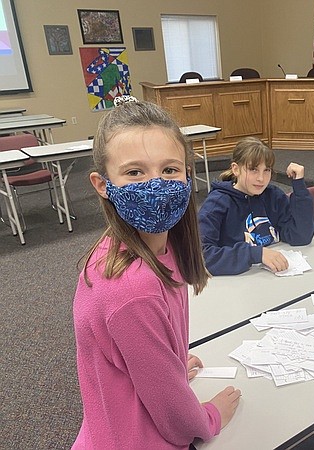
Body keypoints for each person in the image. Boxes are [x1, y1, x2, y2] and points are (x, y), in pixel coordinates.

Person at [72, 99, 241, 449]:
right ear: (103, 184)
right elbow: (177, 421)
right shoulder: (133, 288)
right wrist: (210, 415)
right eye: (135, 172)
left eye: (169, 170)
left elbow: (132, 349)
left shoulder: (158, 246)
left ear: (187, 175)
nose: (156, 185)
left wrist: (170, 367)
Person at [198, 137, 314, 275]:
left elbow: (301, 236)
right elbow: (202, 257)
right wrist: (256, 254)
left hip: (272, 277)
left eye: (266, 170)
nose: (261, 178)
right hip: (238, 283)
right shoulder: (217, 204)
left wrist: (299, 187)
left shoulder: (273, 196)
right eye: (253, 169)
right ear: (236, 169)